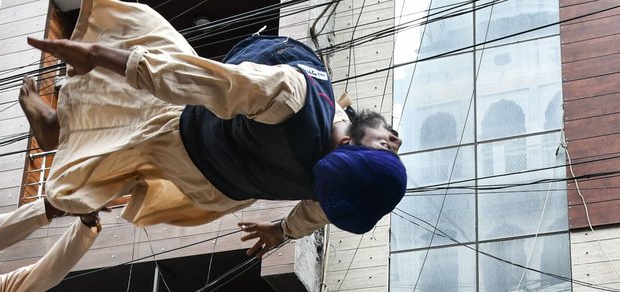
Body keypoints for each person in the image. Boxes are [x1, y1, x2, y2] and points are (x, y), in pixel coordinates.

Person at [24, 0, 406, 253]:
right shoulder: (334, 183)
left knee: (130, 61)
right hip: (220, 191)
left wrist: (96, 55)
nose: (391, 139)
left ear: (346, 147)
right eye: (390, 143)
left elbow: (200, 81)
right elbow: (318, 211)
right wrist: (280, 232)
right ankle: (61, 137)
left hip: (185, 140)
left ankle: (55, 129)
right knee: (119, 136)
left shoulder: (290, 98)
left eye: (386, 146)